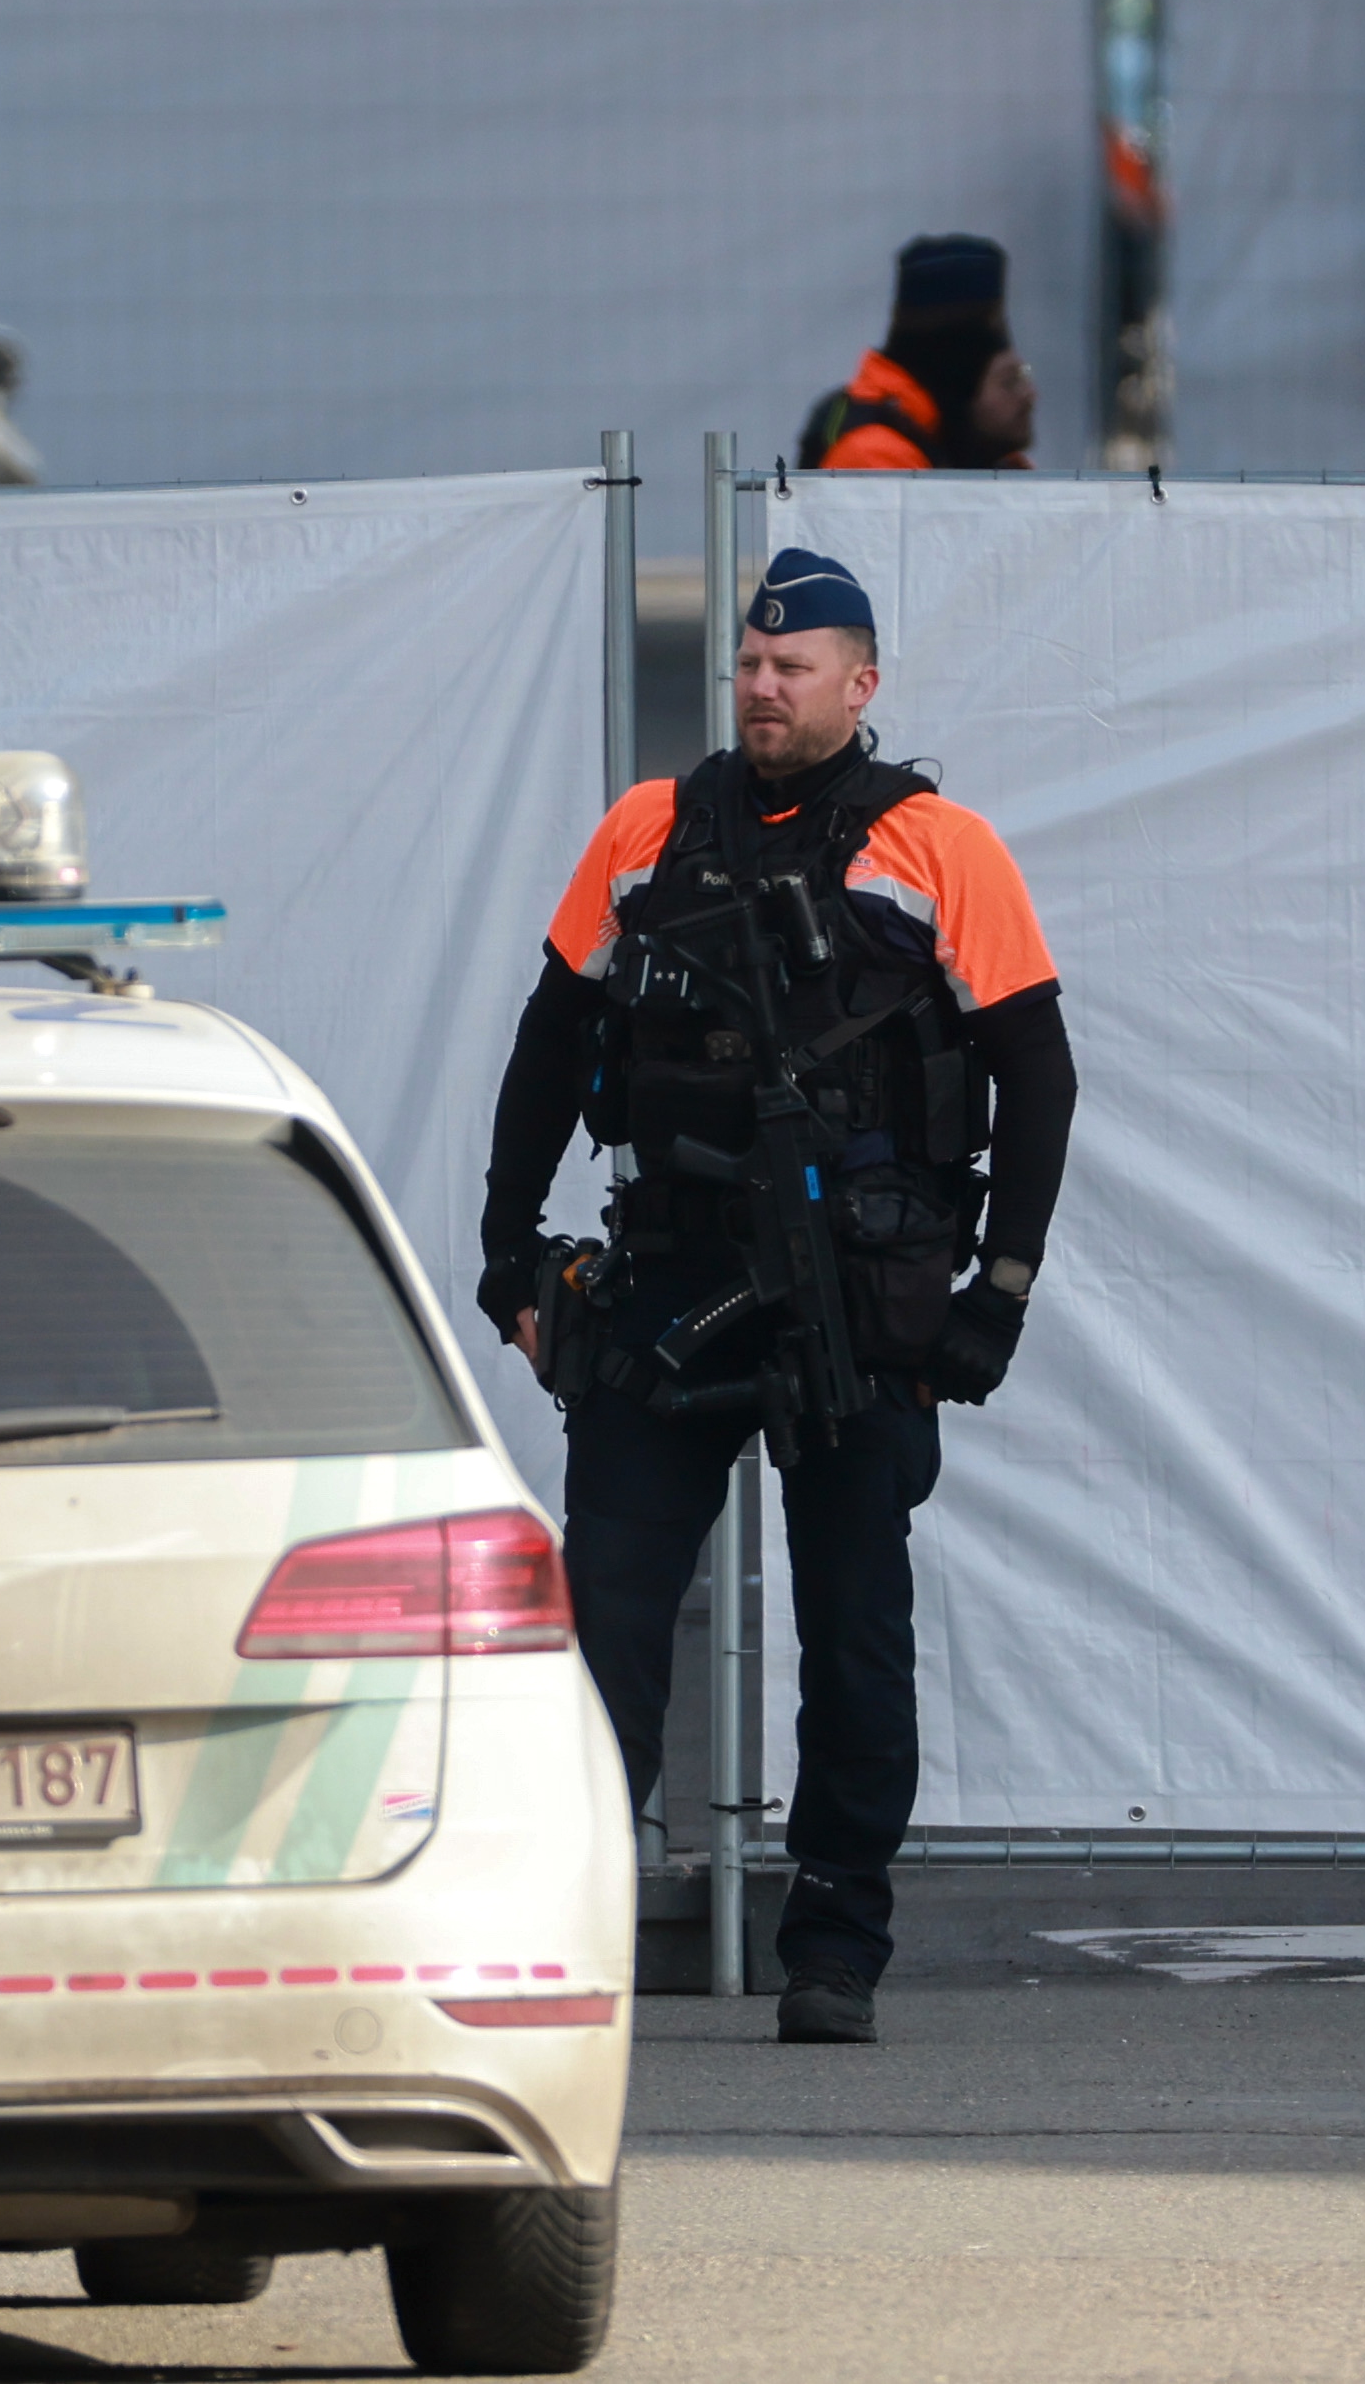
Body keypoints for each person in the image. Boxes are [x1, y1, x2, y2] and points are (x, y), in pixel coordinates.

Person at [472, 547, 1077, 2047]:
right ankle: (574, 1922)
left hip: (853, 1304)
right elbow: (551, 1040)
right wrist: (504, 1249)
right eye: (747, 662)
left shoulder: (941, 846)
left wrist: (992, 1293)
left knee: (852, 1620)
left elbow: (1036, 1075)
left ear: (857, 685)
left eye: (790, 666)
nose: (758, 685)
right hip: (669, 1276)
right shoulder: (644, 831)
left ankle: (834, 1941)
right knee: (600, 1603)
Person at [805, 233, 1038, 471]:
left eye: (1025, 375)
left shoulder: (965, 449)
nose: (1031, 395)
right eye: (1010, 381)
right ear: (959, 383)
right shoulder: (876, 457)